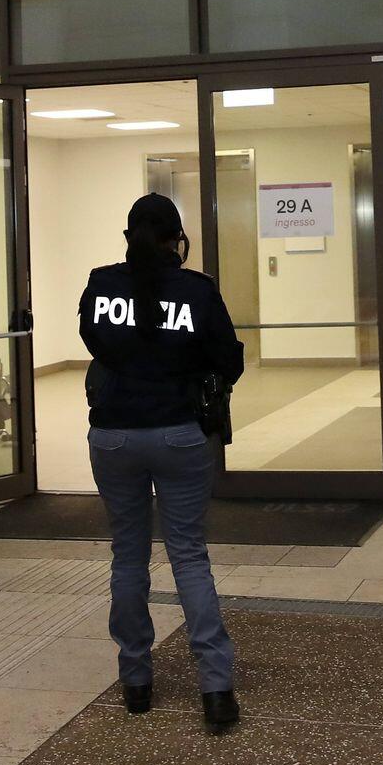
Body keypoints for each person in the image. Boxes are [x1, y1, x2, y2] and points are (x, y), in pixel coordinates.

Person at [78, 193, 246, 734]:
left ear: (129, 237)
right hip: (178, 435)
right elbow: (229, 360)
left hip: (113, 437)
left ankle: (136, 681)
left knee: (128, 556)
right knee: (188, 556)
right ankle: (215, 688)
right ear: (178, 240)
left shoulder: (102, 285)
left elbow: (96, 343)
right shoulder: (196, 291)